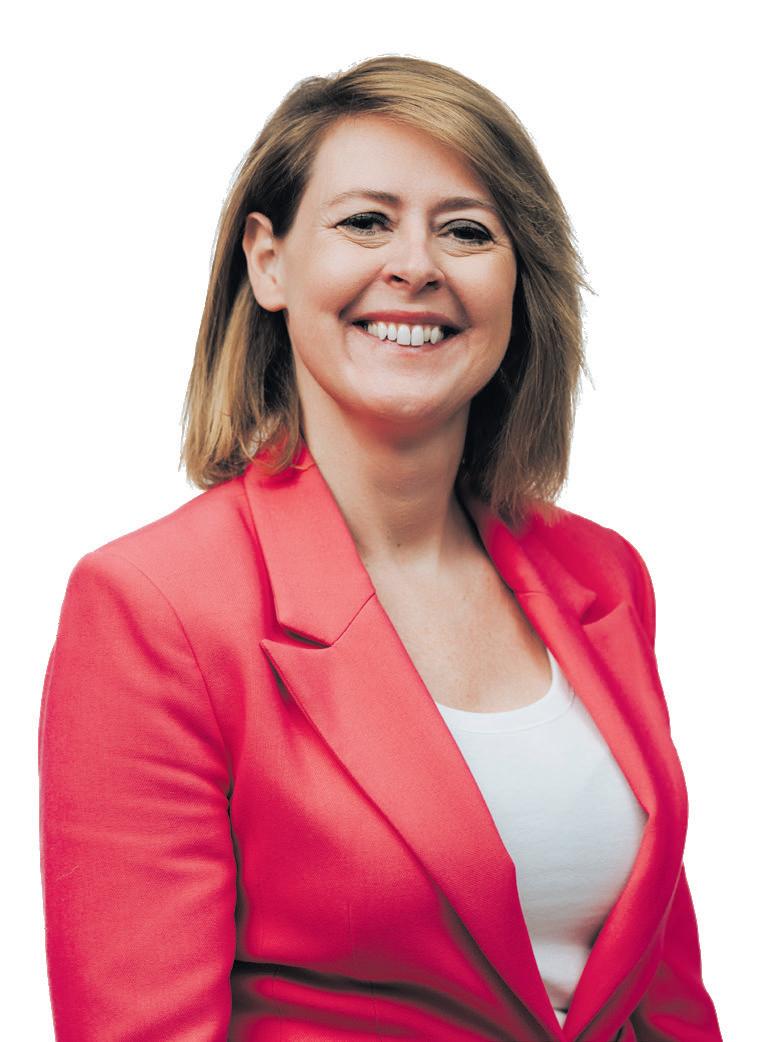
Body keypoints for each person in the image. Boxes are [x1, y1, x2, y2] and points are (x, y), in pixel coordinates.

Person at [38, 54, 723, 1042]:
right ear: (268, 262)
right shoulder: (154, 605)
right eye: (365, 221)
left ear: (517, 278)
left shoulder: (602, 576)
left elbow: (663, 994)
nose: (416, 265)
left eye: (466, 230)